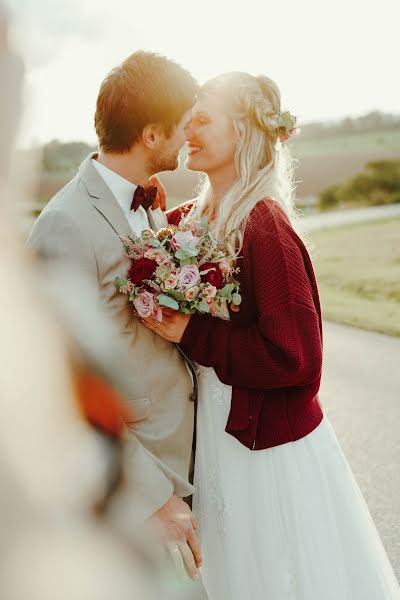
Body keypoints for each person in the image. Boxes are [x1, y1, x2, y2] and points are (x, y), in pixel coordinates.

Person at [142, 71, 400, 598]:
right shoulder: (197, 217)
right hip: (219, 438)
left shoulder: (265, 225)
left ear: (243, 132)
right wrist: (141, 206)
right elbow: (151, 243)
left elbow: (297, 356)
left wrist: (194, 332)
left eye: (205, 119)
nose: (189, 128)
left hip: (267, 453)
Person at [28, 51, 203, 583]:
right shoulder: (65, 224)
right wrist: (151, 498)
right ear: (151, 134)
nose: (189, 138)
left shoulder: (143, 201)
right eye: (183, 126)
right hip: (138, 488)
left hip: (183, 458)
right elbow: (60, 385)